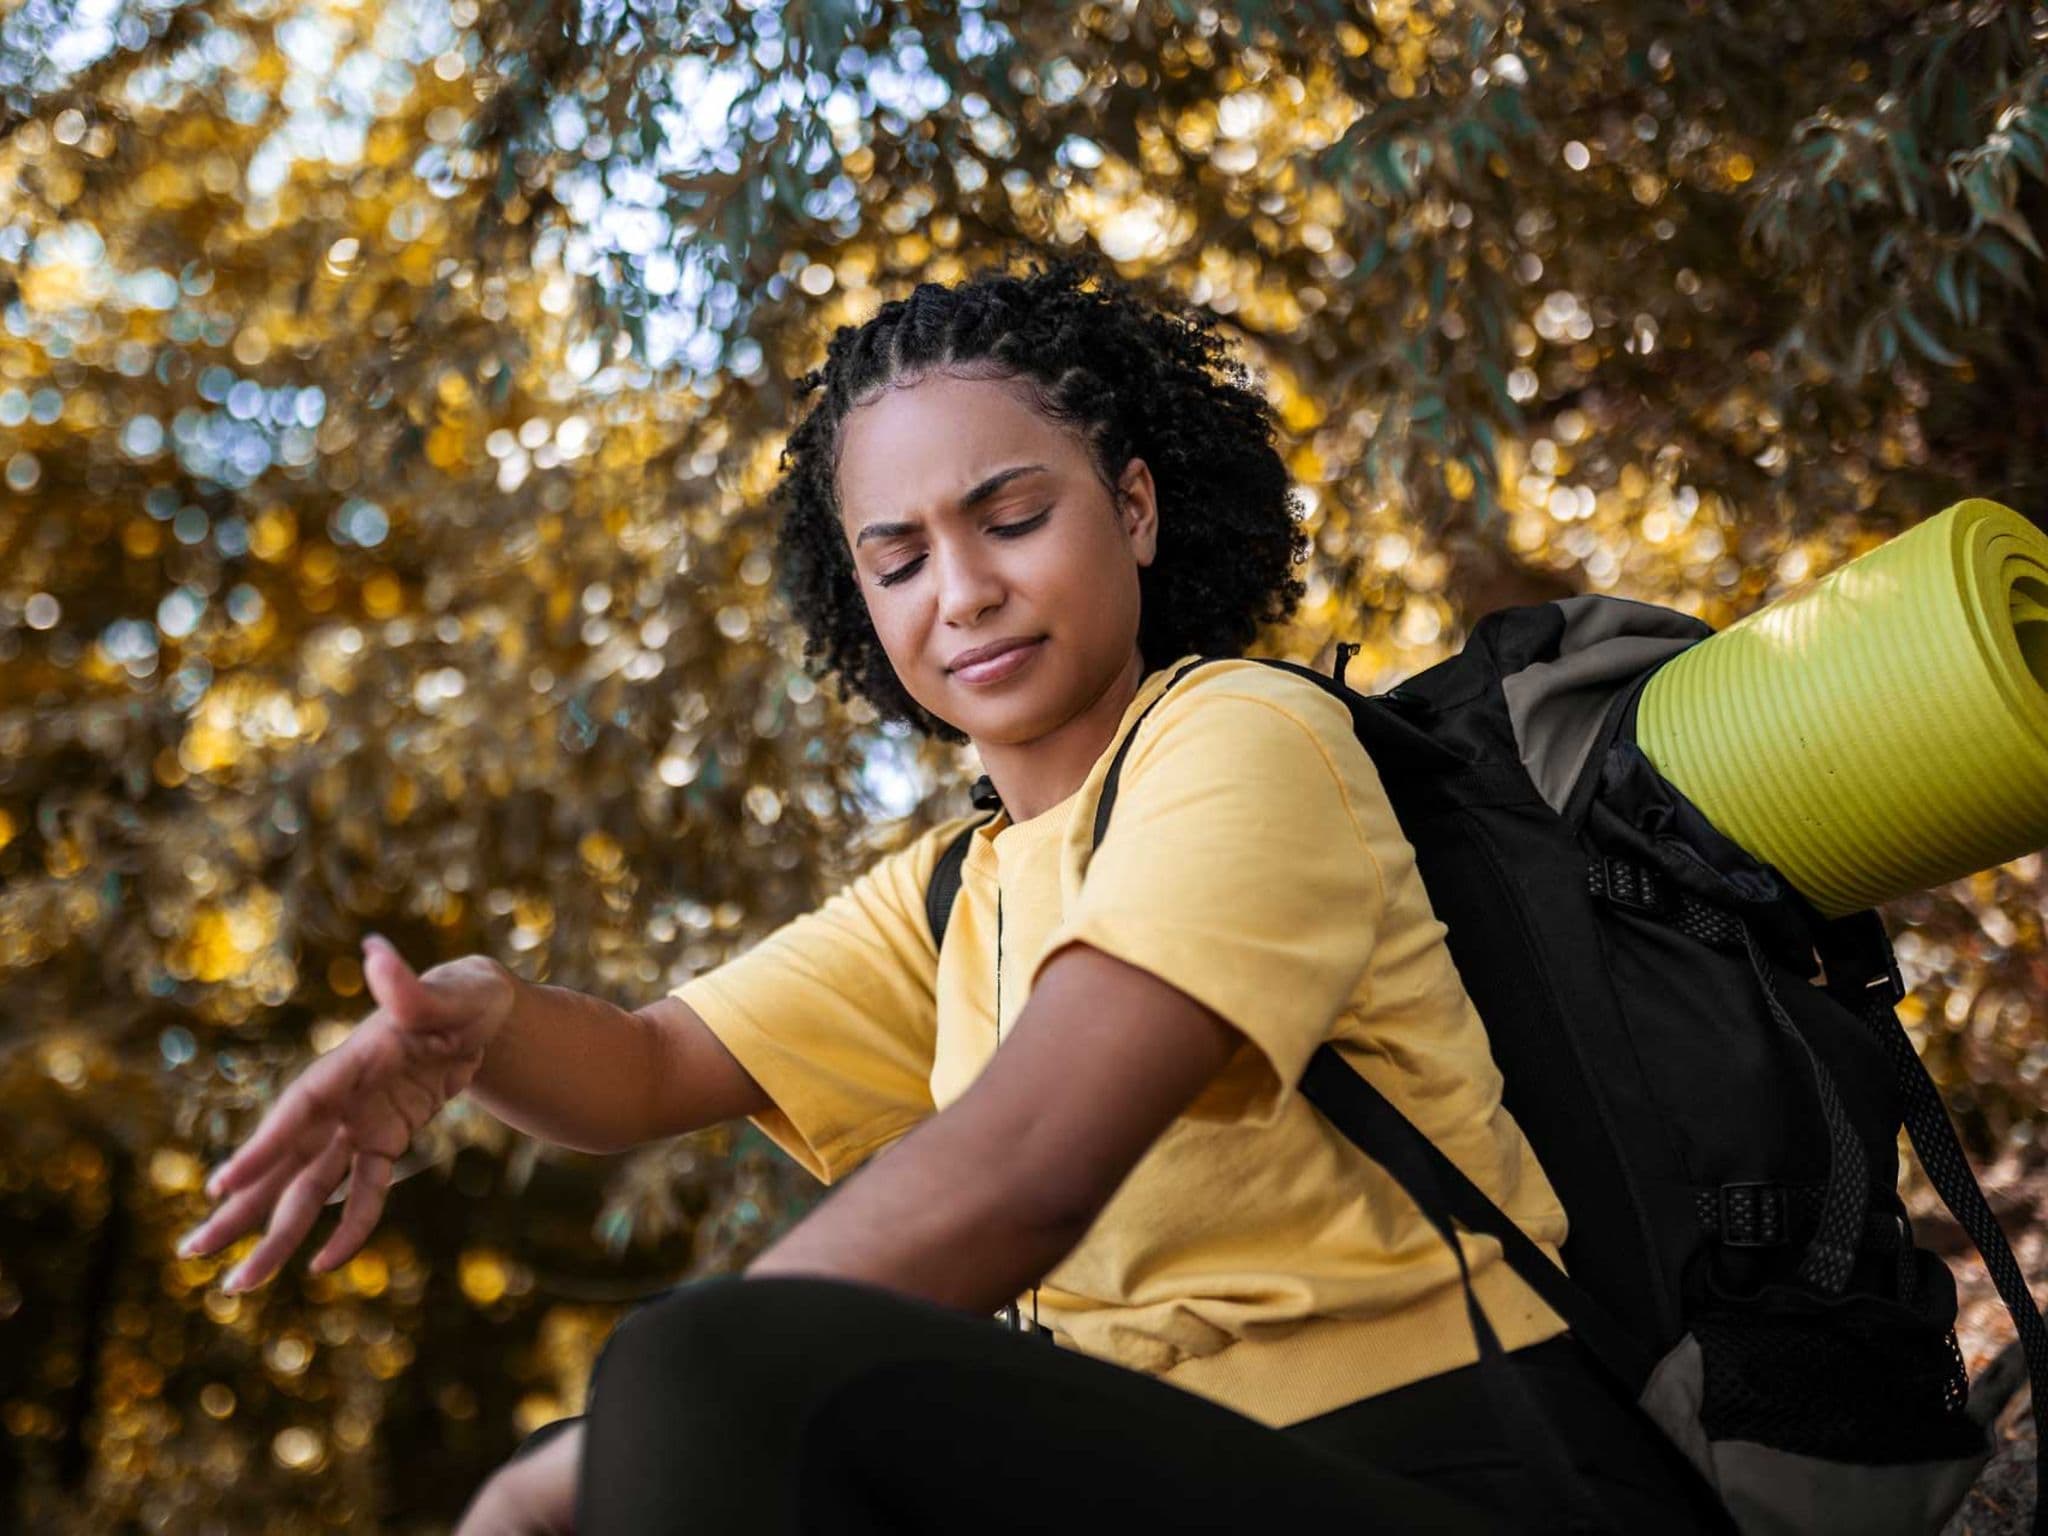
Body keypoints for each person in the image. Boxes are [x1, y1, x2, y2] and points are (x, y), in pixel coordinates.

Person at [178, 255, 1732, 1534]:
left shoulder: (1243, 738)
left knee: (698, 1382)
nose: (964, 593)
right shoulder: (956, 886)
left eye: (1010, 519)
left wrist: (624, 1437)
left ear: (1134, 509)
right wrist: (478, 1024)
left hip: (1457, 1466)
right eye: (900, 558)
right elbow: (648, 1066)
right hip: (1147, 1478)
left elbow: (1029, 1165)